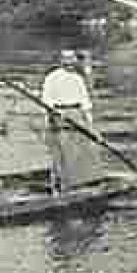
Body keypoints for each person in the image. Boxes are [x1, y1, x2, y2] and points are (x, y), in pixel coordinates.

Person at [40, 49, 99, 191]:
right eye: (66, 60)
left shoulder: (78, 79)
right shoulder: (52, 77)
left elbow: (85, 102)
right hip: (59, 115)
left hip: (76, 115)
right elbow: (47, 100)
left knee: (80, 149)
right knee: (61, 150)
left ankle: (82, 180)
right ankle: (61, 183)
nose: (69, 63)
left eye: (71, 60)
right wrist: (51, 115)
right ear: (61, 61)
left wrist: (89, 123)